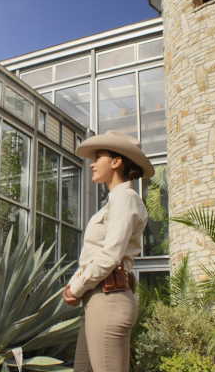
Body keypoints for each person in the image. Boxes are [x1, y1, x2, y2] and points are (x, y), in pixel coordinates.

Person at [62, 131, 154, 372]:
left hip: (109, 299)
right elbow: (96, 254)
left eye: (98, 157)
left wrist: (76, 286)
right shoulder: (115, 200)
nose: (92, 164)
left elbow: (110, 255)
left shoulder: (125, 198)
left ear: (116, 162)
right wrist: (76, 285)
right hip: (97, 299)